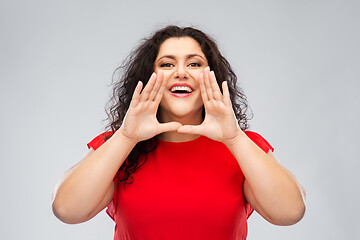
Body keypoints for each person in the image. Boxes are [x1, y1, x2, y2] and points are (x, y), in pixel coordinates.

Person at [52, 25, 306, 240]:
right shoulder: (118, 147)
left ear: (213, 78)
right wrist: (127, 137)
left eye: (194, 63)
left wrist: (234, 137)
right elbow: (67, 210)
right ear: (150, 77)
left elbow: (290, 212)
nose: (181, 72)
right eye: (167, 64)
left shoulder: (243, 147)